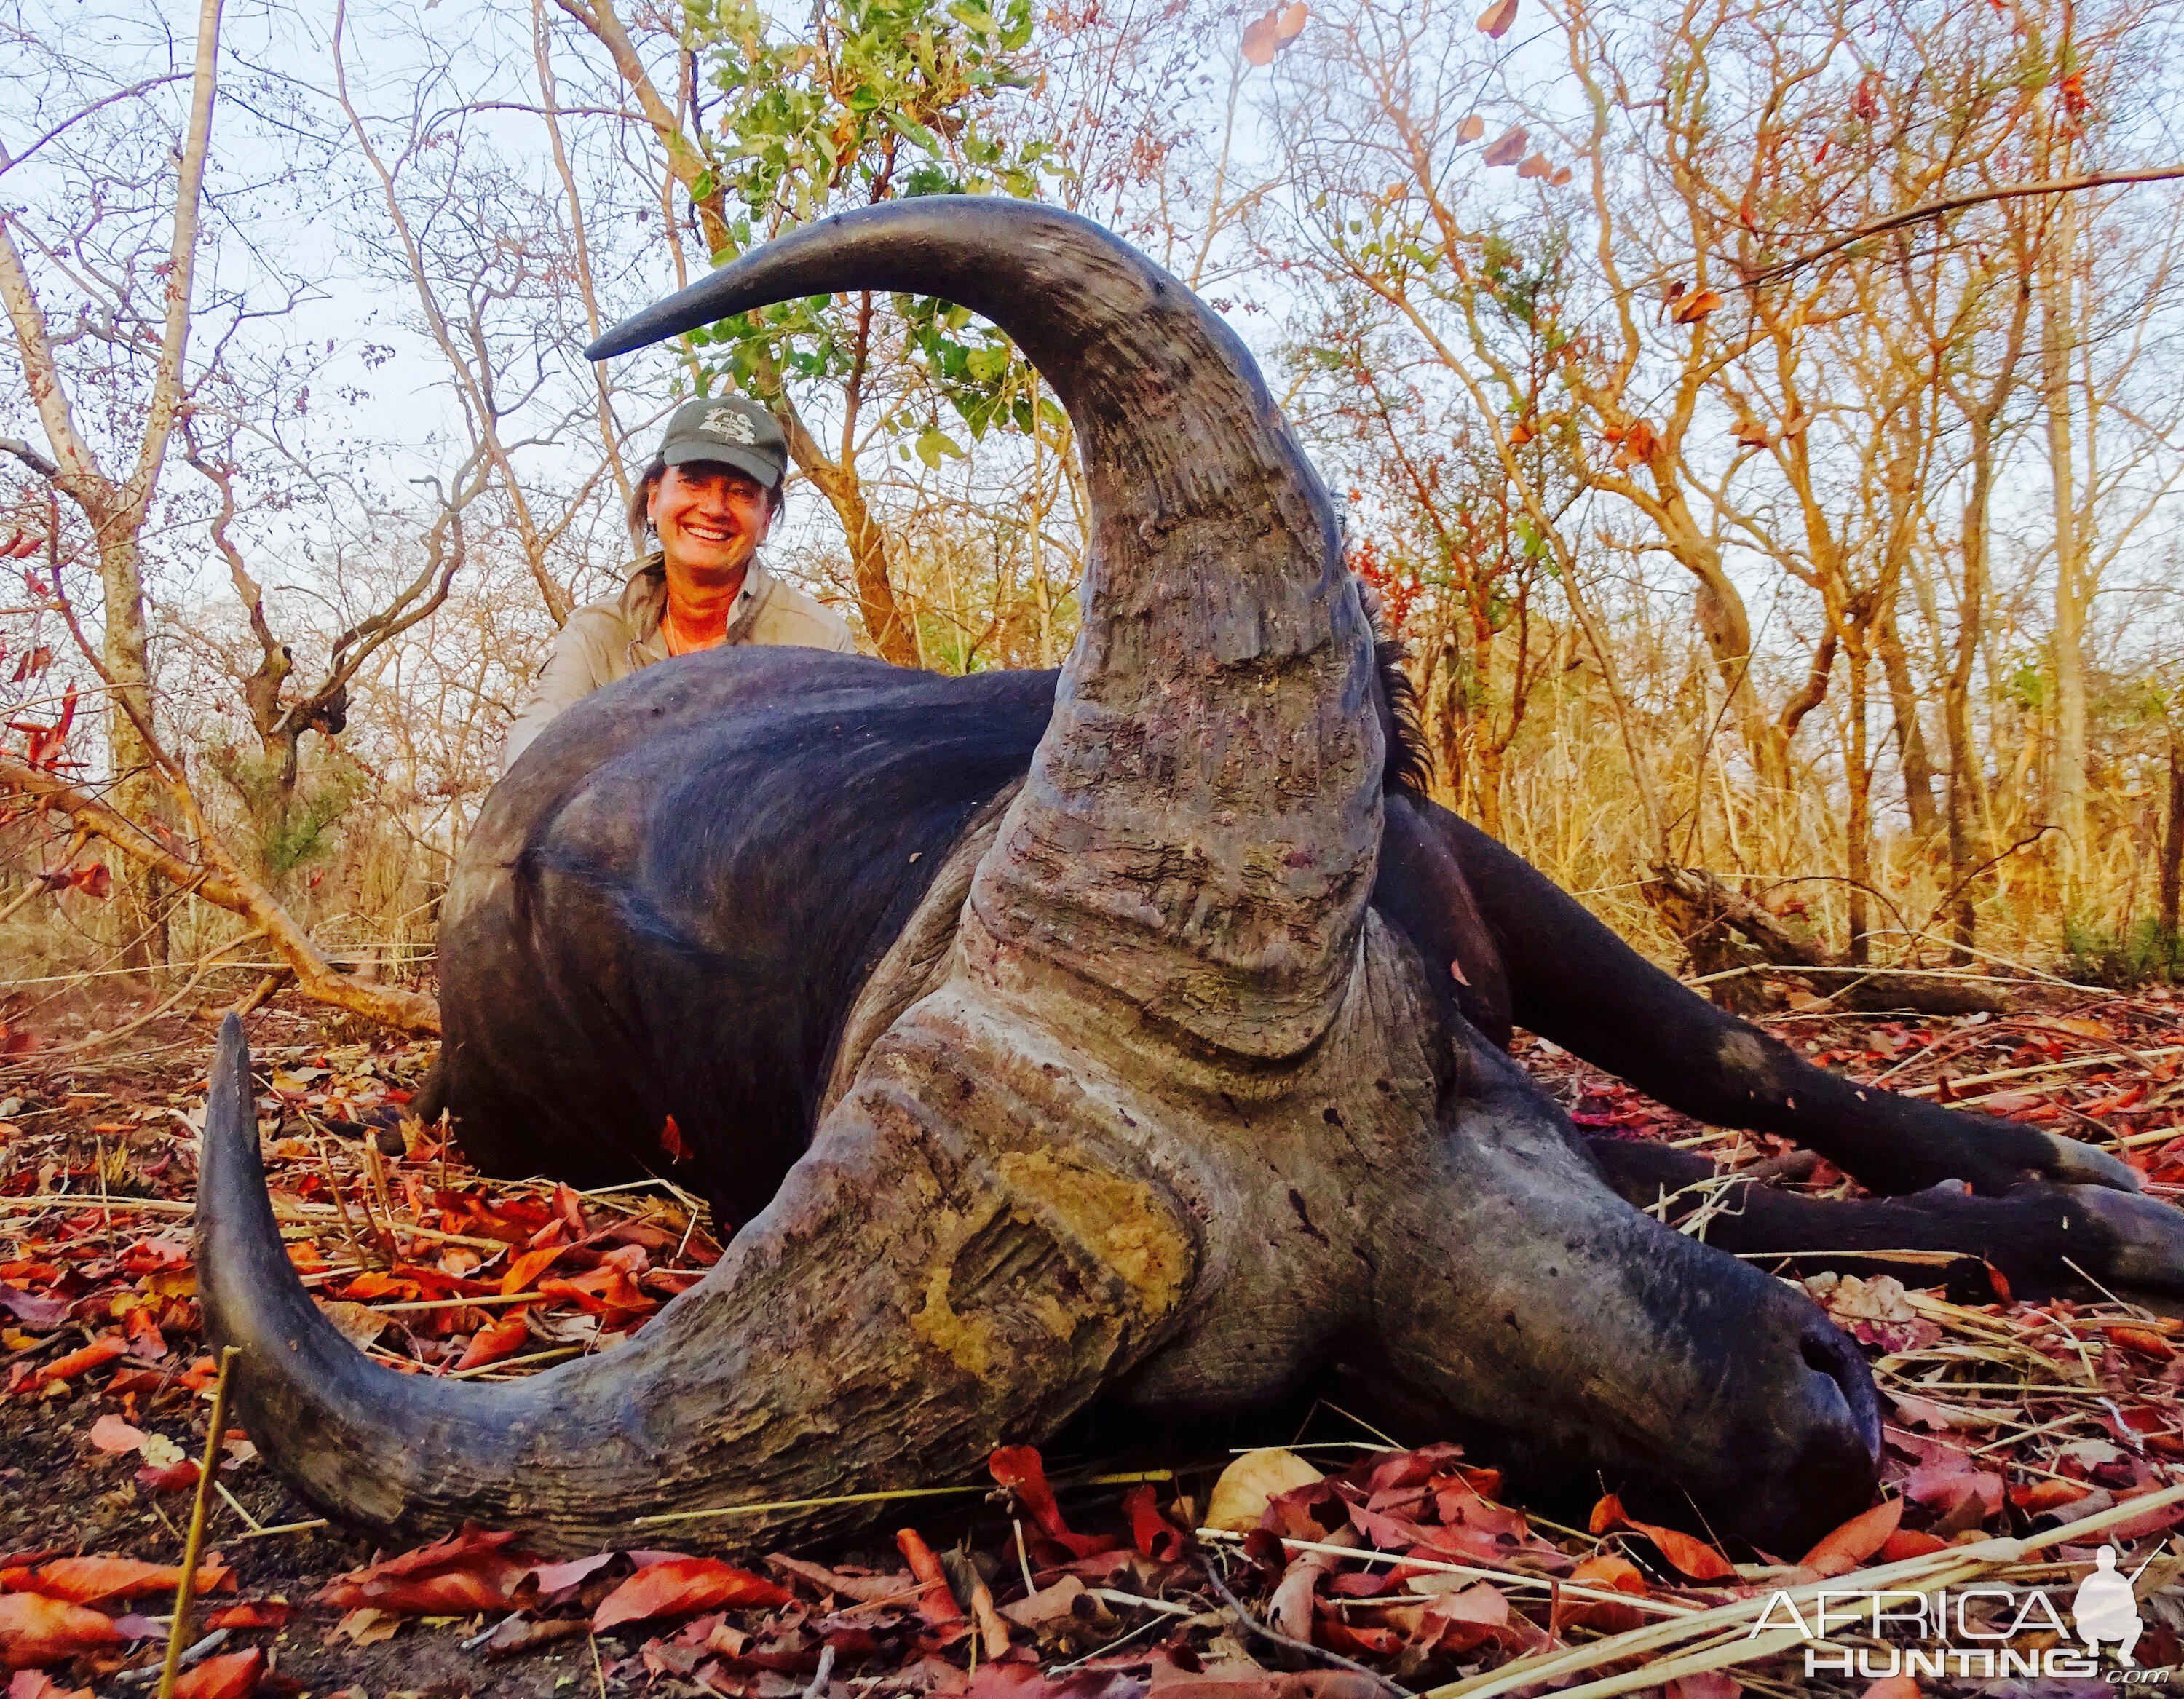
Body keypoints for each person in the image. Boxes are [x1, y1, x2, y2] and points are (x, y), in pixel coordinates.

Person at [500, 395, 856, 774]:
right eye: (693, 482)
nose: (714, 509)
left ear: (765, 520)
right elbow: (532, 757)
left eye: (741, 492)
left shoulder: (818, 641)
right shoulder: (596, 633)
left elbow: (843, 785)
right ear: (654, 498)